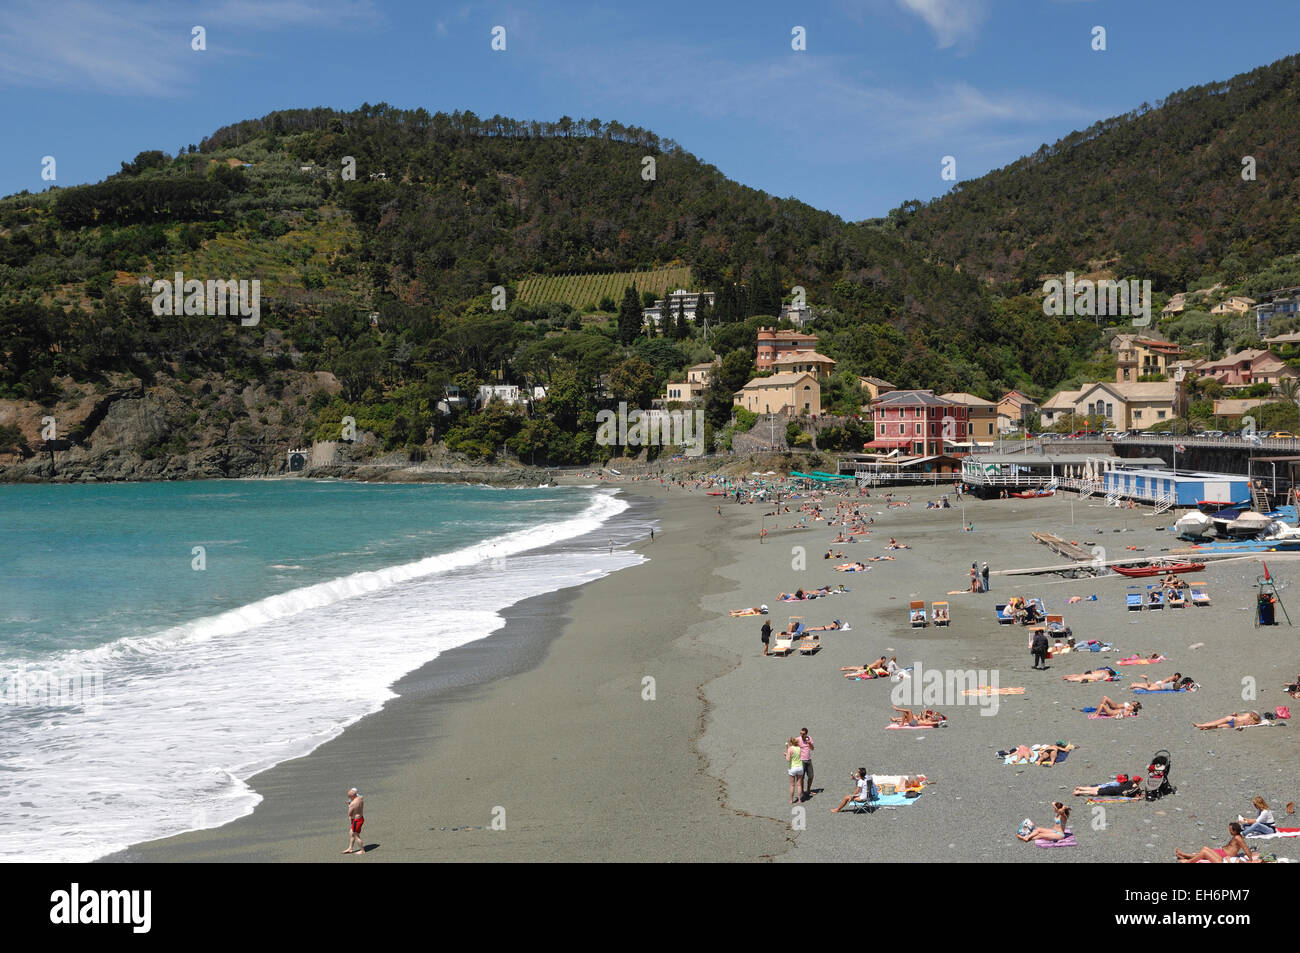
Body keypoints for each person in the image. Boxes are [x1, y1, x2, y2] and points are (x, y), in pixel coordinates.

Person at [1176, 823, 1257, 863]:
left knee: (1204, 853)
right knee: (1204, 851)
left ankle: (1188, 861)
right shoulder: (1237, 836)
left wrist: (1250, 859)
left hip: (1224, 855)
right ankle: (1184, 855)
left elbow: (1245, 848)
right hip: (1222, 852)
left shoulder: (1238, 838)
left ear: (1235, 830)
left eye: (1230, 830)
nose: (1229, 831)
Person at [1073, 774, 1143, 798]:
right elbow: (1132, 792)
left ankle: (1080, 788)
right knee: (1095, 792)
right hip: (1112, 791)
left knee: (1095, 789)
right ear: (1138, 781)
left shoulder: (1129, 781)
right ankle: (1079, 792)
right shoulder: (1135, 786)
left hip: (1112, 788)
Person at [343, 787, 365, 854]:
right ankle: (350, 848)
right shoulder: (360, 798)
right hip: (360, 818)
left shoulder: (352, 804)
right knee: (351, 833)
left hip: (356, 820)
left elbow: (350, 813)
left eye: (349, 797)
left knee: (356, 835)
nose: (349, 798)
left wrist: (349, 805)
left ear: (352, 796)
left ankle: (362, 850)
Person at [1195, 710, 1262, 730]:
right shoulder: (1250, 718)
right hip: (1233, 721)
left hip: (1234, 723)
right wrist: (1235, 715)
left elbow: (1243, 723)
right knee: (1216, 724)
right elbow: (1239, 717)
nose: (1252, 713)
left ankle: (1205, 726)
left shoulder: (1253, 720)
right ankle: (1201, 725)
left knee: (1218, 725)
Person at [785, 738, 804, 805]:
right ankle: (799, 800)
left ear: (790, 742)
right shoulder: (799, 748)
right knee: (799, 785)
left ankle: (791, 800)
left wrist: (785, 754)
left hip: (793, 768)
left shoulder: (790, 749)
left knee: (792, 785)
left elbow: (788, 759)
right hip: (800, 767)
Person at [798, 728, 815, 800]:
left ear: (806, 734)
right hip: (801, 760)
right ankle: (801, 791)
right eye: (800, 733)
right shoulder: (798, 739)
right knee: (801, 777)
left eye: (803, 734)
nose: (801, 735)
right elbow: (792, 746)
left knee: (811, 776)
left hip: (808, 760)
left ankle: (808, 790)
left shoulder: (809, 738)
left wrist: (809, 743)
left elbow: (812, 748)